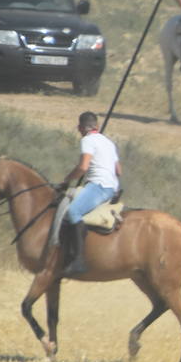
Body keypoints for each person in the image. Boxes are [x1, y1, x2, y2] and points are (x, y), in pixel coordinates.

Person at [58, 111, 122, 277]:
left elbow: (83, 167)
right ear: (97, 126)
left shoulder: (87, 140)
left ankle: (79, 260)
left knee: (73, 212)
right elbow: (119, 171)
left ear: (80, 128)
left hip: (99, 186)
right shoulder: (109, 142)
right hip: (113, 187)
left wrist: (66, 180)